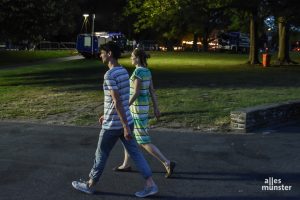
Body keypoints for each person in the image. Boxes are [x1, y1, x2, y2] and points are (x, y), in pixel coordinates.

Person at [72, 42, 158, 198]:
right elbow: (120, 100)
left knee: (101, 154)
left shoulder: (110, 75)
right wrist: (109, 114)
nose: (100, 55)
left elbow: (117, 101)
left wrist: (123, 125)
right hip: (126, 120)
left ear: (109, 53)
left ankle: (90, 185)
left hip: (114, 125)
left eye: (102, 52)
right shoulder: (124, 71)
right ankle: (150, 184)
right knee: (136, 154)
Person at [113, 48, 176, 178]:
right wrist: (156, 108)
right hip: (143, 108)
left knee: (143, 141)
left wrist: (124, 105)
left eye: (132, 56)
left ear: (137, 58)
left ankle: (167, 162)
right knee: (128, 136)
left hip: (136, 110)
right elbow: (152, 91)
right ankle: (126, 164)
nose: (130, 58)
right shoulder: (147, 71)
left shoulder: (138, 72)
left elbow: (136, 93)